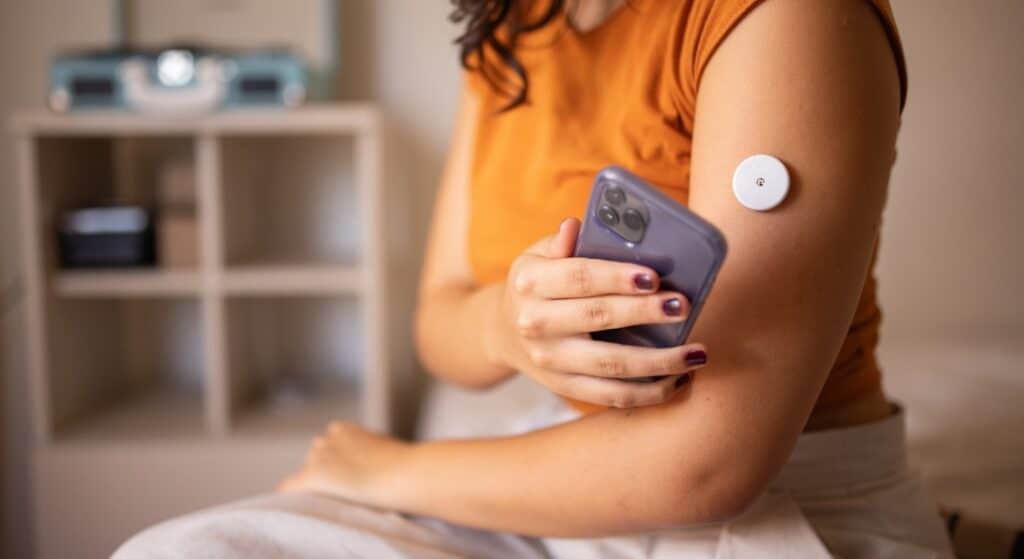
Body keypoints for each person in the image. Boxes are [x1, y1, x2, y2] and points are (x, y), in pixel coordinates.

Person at [116, 0, 955, 557]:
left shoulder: (787, 18)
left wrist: (385, 470)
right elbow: (441, 323)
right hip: (560, 487)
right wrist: (505, 324)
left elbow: (707, 468)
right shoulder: (510, 32)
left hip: (778, 504)